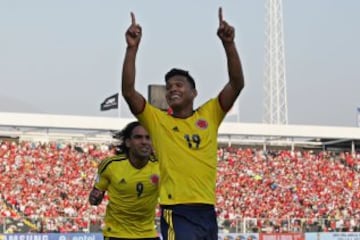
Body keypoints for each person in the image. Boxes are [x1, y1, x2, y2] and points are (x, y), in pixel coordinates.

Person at [121, 7, 244, 240]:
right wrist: (131, 49)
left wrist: (229, 45)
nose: (172, 89)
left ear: (194, 92)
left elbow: (237, 84)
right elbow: (128, 92)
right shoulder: (158, 120)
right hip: (177, 211)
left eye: (179, 84)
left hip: (207, 212)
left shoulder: (210, 114)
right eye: (168, 87)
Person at [89, 121, 160, 240]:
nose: (144, 142)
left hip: (148, 234)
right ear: (128, 142)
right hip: (116, 235)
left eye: (148, 138)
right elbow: (95, 196)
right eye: (138, 137)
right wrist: (95, 197)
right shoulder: (111, 165)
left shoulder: (160, 166)